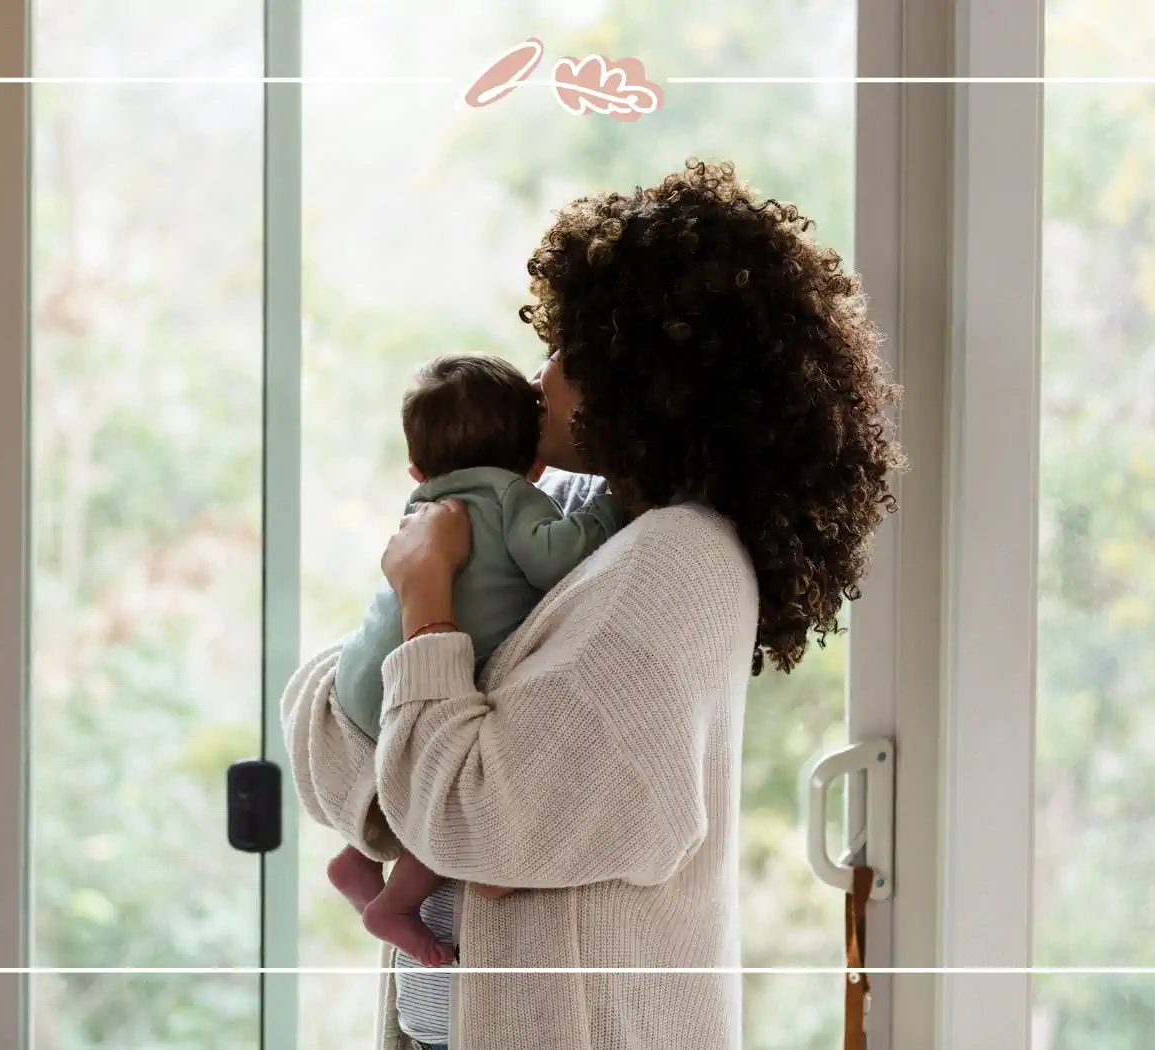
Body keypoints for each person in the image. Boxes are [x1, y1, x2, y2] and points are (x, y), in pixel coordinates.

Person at [281, 159, 906, 1050]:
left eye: (572, 348)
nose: (543, 373)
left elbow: (466, 815)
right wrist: (426, 795)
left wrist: (424, 601)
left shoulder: (676, 566)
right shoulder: (575, 526)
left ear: (652, 378)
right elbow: (324, 725)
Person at [327, 353, 622, 968]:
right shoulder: (514, 494)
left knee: (399, 775)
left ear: (416, 467)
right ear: (534, 464)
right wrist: (608, 509)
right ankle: (396, 904)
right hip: (422, 676)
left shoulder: (423, 502)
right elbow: (552, 559)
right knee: (442, 795)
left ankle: (358, 858)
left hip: (360, 675)